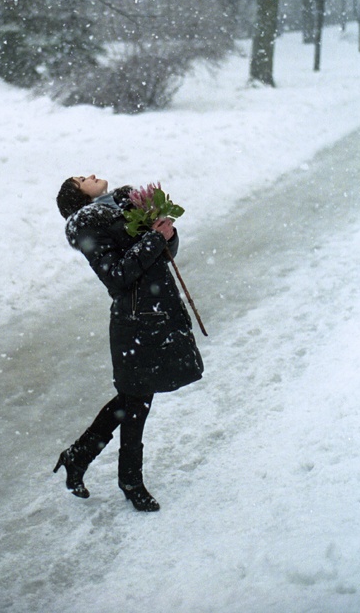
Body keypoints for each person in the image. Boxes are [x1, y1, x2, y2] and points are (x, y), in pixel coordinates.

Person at [54, 174, 204, 511]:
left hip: (157, 310)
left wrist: (166, 233)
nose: (91, 176)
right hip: (136, 321)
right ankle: (129, 481)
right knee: (137, 401)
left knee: (134, 398)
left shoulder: (123, 206)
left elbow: (161, 255)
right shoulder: (89, 226)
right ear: (78, 198)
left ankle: (79, 458)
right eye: (82, 180)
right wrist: (152, 238)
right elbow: (117, 276)